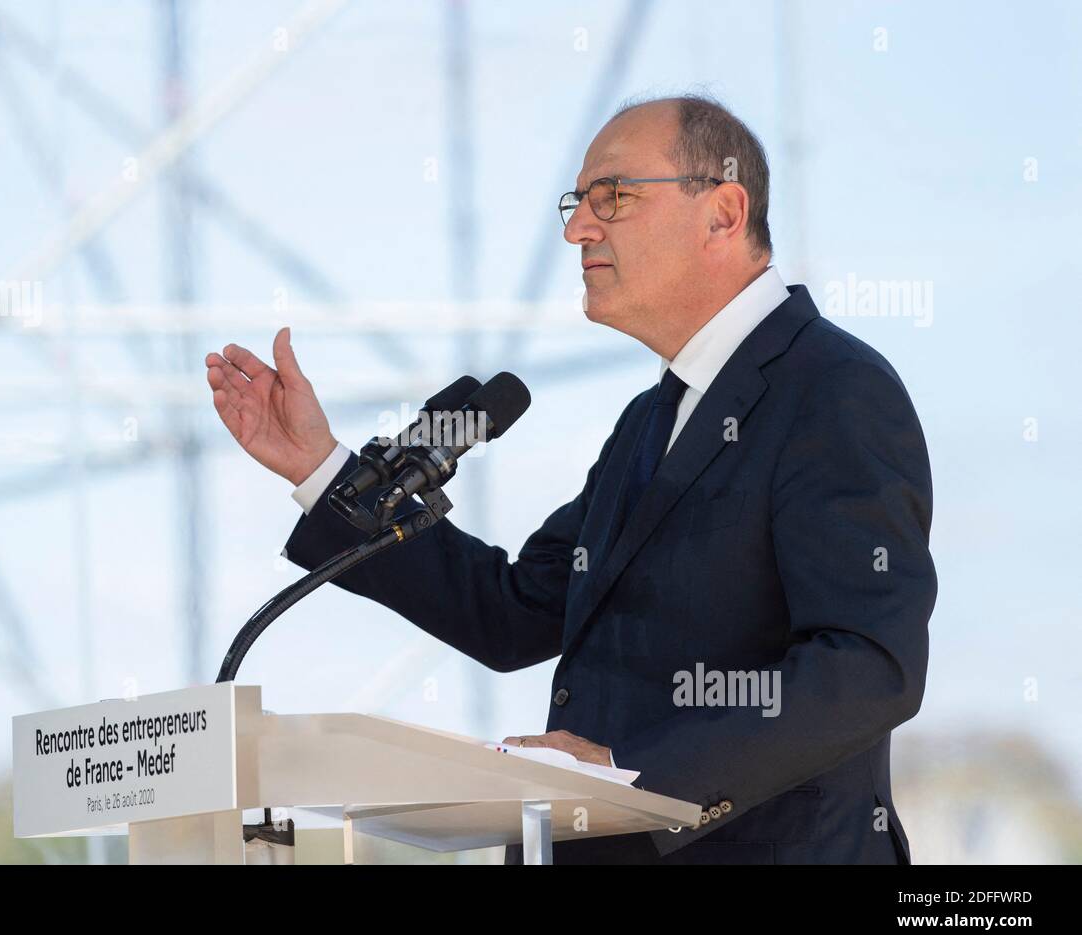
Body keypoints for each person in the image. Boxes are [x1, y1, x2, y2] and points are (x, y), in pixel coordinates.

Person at [205, 94, 937, 864]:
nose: (577, 228)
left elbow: (868, 667)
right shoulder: (647, 422)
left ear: (722, 212)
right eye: (576, 203)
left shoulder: (834, 389)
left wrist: (636, 784)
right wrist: (320, 468)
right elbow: (514, 610)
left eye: (612, 197)